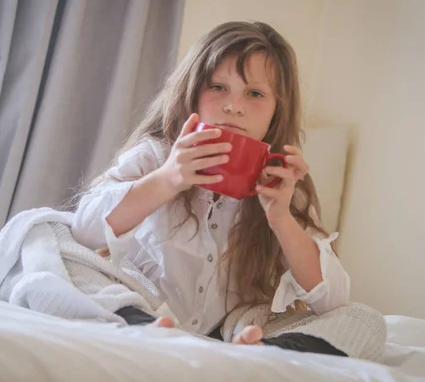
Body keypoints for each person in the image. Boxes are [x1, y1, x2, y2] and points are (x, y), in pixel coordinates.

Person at [71, 21, 350, 354]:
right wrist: (168, 179)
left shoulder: (282, 185)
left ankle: (264, 354)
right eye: (218, 87)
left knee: (363, 321)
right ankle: (141, 325)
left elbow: (334, 301)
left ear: (276, 113)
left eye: (255, 93)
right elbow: (83, 231)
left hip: (233, 334)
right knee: (41, 234)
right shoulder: (156, 156)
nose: (234, 106)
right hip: (144, 311)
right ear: (192, 92)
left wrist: (281, 219)